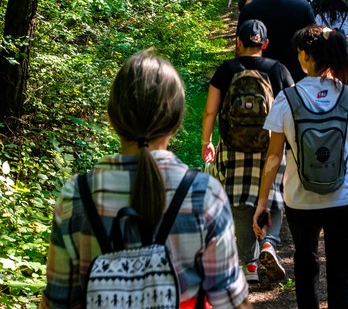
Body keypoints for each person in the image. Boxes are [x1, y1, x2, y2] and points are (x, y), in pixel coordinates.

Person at [41, 50, 250, 309]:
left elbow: (56, 302)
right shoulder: (204, 195)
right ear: (176, 120)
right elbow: (230, 301)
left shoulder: (77, 196)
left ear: (113, 117)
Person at [253, 26, 348, 309]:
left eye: (299, 53)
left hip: (300, 200)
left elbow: (273, 157)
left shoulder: (286, 99)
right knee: (342, 274)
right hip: (346, 199)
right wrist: (345, 174)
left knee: (306, 267)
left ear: (306, 56)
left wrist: (262, 203)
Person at [202, 20, 293, 284]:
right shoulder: (278, 70)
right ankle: (269, 245)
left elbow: (210, 110)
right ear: (264, 44)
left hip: (233, 146)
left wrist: (206, 141)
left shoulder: (227, 70)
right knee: (274, 197)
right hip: (271, 147)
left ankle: (250, 266)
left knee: (241, 203)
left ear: (238, 43)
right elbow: (294, 107)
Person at [237, 0, 314, 82]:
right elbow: (313, 43)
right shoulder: (303, 6)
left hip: (261, 78)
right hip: (297, 76)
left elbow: (239, 47)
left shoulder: (249, 10)